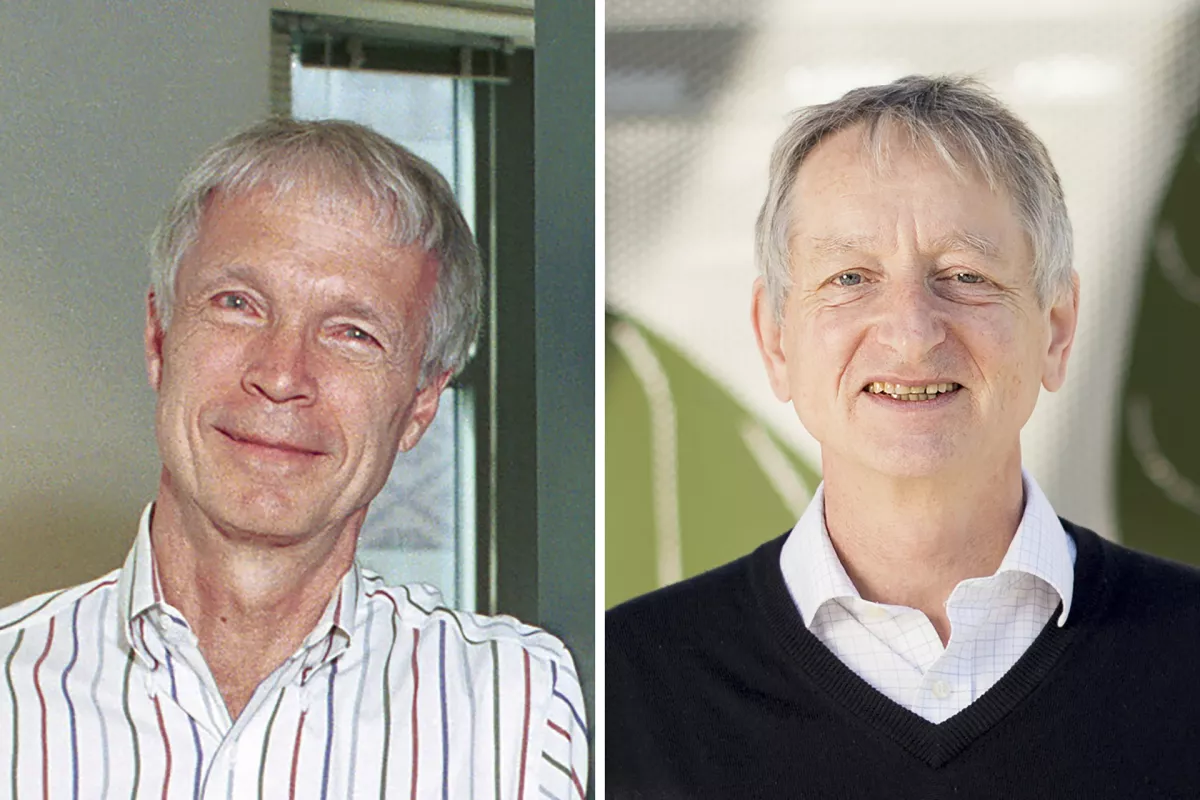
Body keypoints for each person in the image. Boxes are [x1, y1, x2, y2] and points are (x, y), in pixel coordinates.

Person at [607, 75, 1200, 798]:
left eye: (964, 275)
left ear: (1056, 327)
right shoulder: (621, 687)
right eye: (851, 277)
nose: (912, 333)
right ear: (775, 338)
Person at [0, 119, 586, 798]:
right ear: (159, 338)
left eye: (352, 333)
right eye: (239, 304)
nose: (281, 375)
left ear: (422, 400)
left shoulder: (517, 710)